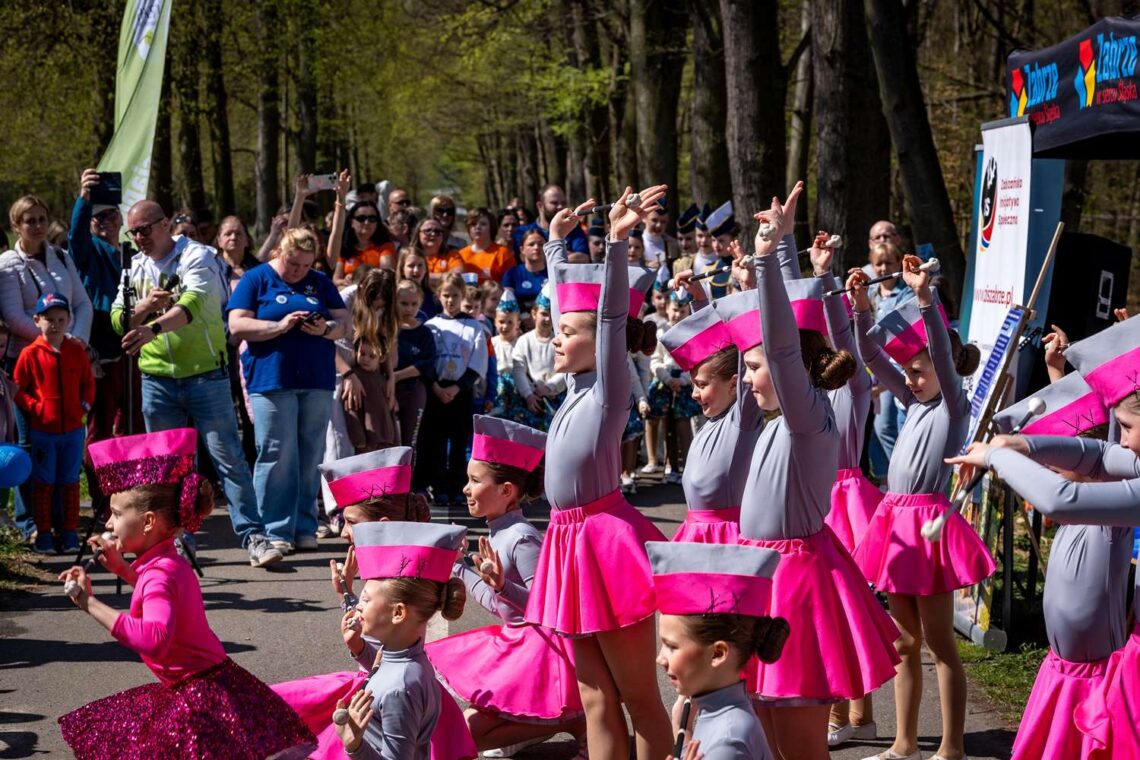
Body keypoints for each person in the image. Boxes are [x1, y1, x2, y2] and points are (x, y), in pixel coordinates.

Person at [733, 190, 900, 760]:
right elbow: (786, 339)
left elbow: (783, 348)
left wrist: (768, 256)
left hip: (795, 588)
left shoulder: (809, 420)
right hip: (762, 579)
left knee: (799, 748)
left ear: (792, 373)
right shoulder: (781, 419)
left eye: (752, 368)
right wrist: (782, 257)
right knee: (764, 741)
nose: (748, 378)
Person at [947, 315, 1140, 760]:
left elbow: (1066, 497)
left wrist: (999, 456)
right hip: (1076, 668)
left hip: (1107, 672)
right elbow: (1097, 450)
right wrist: (1024, 446)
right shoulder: (1127, 458)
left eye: (1128, 428)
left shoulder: (1114, 501)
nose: (1123, 443)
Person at [524, 187, 673, 760]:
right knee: (594, 697)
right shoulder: (572, 389)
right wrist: (558, 244)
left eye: (568, 333)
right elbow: (575, 309)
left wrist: (615, 241)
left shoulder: (610, 392)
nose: (557, 336)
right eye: (558, 330)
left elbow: (608, 318)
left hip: (603, 543)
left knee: (638, 697)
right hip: (567, 542)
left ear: (601, 345)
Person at [57, 428, 314, 759]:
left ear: (148, 521)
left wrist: (88, 603)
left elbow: (154, 639)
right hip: (210, 685)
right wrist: (123, 570)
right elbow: (162, 599)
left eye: (118, 514)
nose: (110, 522)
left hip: (201, 698)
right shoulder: (167, 562)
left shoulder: (159, 575)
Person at [846, 256, 989, 760]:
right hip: (895, 523)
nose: (909, 379)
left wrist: (925, 299)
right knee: (904, 643)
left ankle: (950, 746)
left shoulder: (953, 405)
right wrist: (862, 308)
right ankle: (904, 742)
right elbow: (869, 352)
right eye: (907, 372)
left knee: (938, 642)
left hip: (928, 523)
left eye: (918, 370)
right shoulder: (912, 404)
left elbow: (942, 364)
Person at [272, 448, 475, 759]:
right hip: (378, 690)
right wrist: (349, 599)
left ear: (380, 523)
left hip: (381, 702)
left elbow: (387, 650)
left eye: (350, 521)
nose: (342, 531)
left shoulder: (397, 583)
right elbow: (384, 646)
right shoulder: (389, 574)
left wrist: (354, 744)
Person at [113, 199, 281, 567]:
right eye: (133, 231)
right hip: (157, 379)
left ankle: (254, 537)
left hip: (206, 375)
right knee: (166, 468)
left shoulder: (197, 255)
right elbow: (117, 319)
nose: (139, 237)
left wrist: (152, 325)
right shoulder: (134, 266)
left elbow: (191, 303)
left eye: (145, 229)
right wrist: (143, 309)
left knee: (228, 459)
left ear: (165, 224)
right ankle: (177, 541)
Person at [426, 416, 586, 755]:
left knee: (470, 734)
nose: (465, 488)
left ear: (506, 490)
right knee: (465, 731)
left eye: (474, 480)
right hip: (515, 644)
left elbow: (548, 607)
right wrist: (460, 567)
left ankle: (572, 720)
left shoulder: (522, 537)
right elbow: (494, 600)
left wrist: (502, 586)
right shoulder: (499, 531)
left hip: (542, 652)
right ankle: (558, 723)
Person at [227, 227, 350, 555]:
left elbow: (344, 322)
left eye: (305, 265)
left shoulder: (320, 282)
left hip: (316, 379)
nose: (298, 272)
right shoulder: (257, 279)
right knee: (277, 454)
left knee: (310, 454)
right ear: (280, 252)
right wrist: (279, 326)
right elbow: (237, 324)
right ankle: (274, 529)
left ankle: (304, 525)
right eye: (293, 264)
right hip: (271, 380)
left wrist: (325, 329)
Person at [334, 521, 474, 759]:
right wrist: (358, 647)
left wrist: (353, 744)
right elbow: (384, 669)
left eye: (366, 600)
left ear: (398, 613)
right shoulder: (404, 656)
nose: (358, 605)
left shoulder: (400, 688)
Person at [648, 541, 787, 760]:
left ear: (717, 654)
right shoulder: (721, 715)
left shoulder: (727, 743)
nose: (659, 658)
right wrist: (679, 728)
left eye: (672, 646)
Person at [655, 293, 756, 546]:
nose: (694, 394)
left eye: (701, 385)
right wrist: (698, 298)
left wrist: (749, 288)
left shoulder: (742, 420)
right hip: (694, 535)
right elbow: (711, 343)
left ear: (734, 385)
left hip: (728, 539)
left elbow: (745, 353)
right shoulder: (710, 421)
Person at [68, 169, 131, 527]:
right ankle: (103, 503)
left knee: (129, 430)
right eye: (98, 218)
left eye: (111, 215)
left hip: (132, 350)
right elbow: (75, 236)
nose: (104, 222)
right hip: (100, 353)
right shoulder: (88, 252)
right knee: (99, 433)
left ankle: (128, 503)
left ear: (120, 218)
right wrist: (84, 199)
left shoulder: (130, 252)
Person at [14, 293, 95, 554]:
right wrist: (36, 408)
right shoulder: (29, 354)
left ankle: (70, 532)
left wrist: (83, 406)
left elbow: (88, 384)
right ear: (37, 320)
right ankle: (44, 533)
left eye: (61, 319)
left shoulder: (75, 352)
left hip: (72, 430)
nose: (55, 324)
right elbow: (18, 389)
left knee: (70, 481)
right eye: (49, 319)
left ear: (69, 320)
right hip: (43, 431)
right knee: (44, 483)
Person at [416, 272, 488, 505]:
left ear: (462, 295)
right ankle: (439, 486)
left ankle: (458, 487)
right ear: (439, 296)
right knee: (435, 442)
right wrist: (436, 387)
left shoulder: (473, 326)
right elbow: (425, 360)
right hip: (436, 390)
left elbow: (478, 361)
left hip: (461, 390)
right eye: (446, 295)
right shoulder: (431, 325)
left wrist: (458, 387)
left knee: (459, 442)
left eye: (455, 295)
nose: (450, 300)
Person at [866, 240, 914, 478]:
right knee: (876, 430)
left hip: (894, 373)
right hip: (873, 372)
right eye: (878, 264)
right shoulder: (872, 295)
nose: (884, 268)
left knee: (886, 426)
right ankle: (885, 477)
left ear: (898, 263)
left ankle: (899, 474)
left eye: (889, 263)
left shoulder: (904, 296)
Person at [647, 293, 699, 484]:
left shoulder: (691, 333)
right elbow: (655, 360)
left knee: (683, 425)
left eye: (682, 311)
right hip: (665, 381)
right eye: (675, 310)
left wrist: (683, 380)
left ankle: (687, 466)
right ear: (668, 309)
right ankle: (672, 468)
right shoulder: (661, 333)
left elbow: (695, 361)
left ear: (688, 312)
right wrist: (668, 379)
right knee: (666, 424)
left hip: (683, 382)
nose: (677, 314)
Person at [509, 290, 564, 431]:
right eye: (544, 314)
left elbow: (566, 369)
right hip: (530, 400)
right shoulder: (524, 341)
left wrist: (549, 387)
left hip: (555, 400)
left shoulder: (560, 341)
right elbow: (518, 369)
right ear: (534, 314)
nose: (547, 319)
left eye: (551, 315)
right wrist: (528, 394)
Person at [393, 279, 436, 449]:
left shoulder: (424, 332)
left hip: (413, 390)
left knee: (410, 441)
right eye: (403, 303)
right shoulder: (389, 329)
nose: (409, 309)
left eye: (413, 304)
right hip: (388, 390)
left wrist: (397, 376)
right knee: (391, 439)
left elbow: (427, 363)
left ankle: (408, 475)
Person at [344, 338, 400, 454]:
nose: (365, 359)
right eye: (362, 354)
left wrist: (395, 440)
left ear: (382, 358)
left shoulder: (383, 381)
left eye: (372, 356)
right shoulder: (355, 379)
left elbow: (390, 412)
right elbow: (351, 408)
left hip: (385, 442)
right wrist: (358, 439)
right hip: (366, 442)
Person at [512, 184, 588, 255]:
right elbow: (523, 260)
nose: (560, 207)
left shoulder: (573, 229)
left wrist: (541, 256)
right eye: (554, 203)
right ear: (540, 206)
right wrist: (564, 255)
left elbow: (583, 257)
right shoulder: (523, 232)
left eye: (563, 203)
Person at [336, 200, 397, 286]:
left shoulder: (386, 247)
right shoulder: (344, 247)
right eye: (361, 218)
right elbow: (336, 279)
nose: (367, 222)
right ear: (351, 222)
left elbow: (387, 275)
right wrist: (345, 281)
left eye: (372, 219)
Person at [458, 207, 513, 285]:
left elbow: (510, 285)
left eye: (483, 224)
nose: (477, 227)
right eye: (473, 224)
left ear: (491, 227)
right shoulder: (461, 255)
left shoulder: (503, 253)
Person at [502, 229, 548, 314]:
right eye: (531, 244)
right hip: (519, 322)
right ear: (522, 249)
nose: (536, 247)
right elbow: (508, 303)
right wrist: (524, 316)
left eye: (541, 244)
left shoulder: (553, 274)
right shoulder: (511, 274)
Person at [413, 218, 465, 287]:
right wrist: (446, 277)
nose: (433, 234)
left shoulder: (452, 254)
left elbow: (457, 277)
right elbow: (408, 277)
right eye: (427, 230)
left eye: (437, 231)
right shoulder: (410, 255)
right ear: (418, 234)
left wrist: (422, 277)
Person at [398, 246, 441, 320]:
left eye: (420, 265)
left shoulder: (434, 300)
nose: (416, 270)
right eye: (411, 266)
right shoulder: (393, 297)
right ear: (402, 270)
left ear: (425, 270)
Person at [642, 202, 680, 272]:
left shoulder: (672, 244)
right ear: (644, 218)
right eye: (654, 220)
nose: (658, 225)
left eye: (663, 222)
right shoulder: (636, 243)